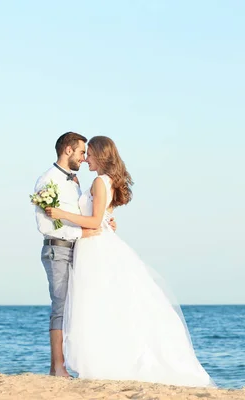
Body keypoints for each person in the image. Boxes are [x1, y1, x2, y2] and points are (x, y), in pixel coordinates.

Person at [45, 136, 216, 387]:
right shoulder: (103, 181)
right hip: (92, 245)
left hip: (94, 247)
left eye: (89, 153)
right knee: (101, 305)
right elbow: (101, 217)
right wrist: (105, 220)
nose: (86, 158)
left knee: (98, 304)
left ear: (100, 155)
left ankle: (105, 360)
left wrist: (59, 213)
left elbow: (93, 221)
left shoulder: (100, 182)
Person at [34, 132, 115, 377]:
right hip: (57, 248)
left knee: (76, 307)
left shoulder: (75, 181)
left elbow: (87, 211)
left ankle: (68, 364)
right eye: (81, 152)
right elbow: (46, 225)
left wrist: (106, 222)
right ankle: (58, 367)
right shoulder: (47, 181)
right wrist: (83, 233)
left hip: (76, 251)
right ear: (68, 150)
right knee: (60, 306)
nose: (83, 158)